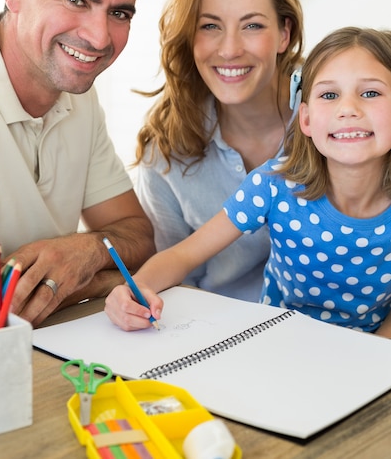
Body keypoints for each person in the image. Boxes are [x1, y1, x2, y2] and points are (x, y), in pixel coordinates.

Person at [106, 26, 391, 338]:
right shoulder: (273, 186)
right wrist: (136, 289)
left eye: (370, 93)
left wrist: (373, 360)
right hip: (273, 346)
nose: (348, 109)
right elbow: (183, 254)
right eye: (329, 95)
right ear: (306, 118)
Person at [0, 0, 155, 327]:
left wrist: (86, 251)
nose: (98, 37)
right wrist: (88, 277)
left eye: (119, 13)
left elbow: (138, 234)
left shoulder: (78, 96)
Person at [133, 0, 304, 301]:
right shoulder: (166, 154)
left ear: (284, 33)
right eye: (210, 26)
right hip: (221, 333)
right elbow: (174, 280)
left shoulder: (340, 120)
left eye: (252, 25)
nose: (229, 49)